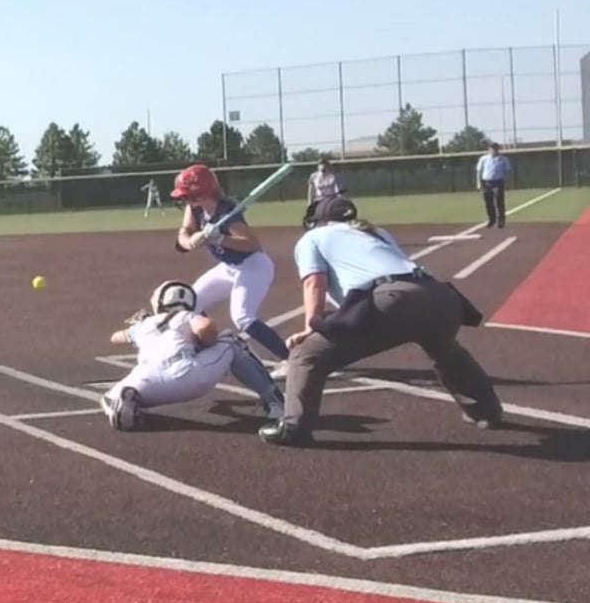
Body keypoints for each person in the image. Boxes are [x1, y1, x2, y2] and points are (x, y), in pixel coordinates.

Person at [258, 195, 501, 446]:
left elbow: (313, 282)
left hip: (394, 299)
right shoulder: (375, 231)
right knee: (444, 349)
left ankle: (294, 428)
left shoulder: (313, 238)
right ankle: (486, 411)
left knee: (306, 354)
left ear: (318, 221)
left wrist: (311, 325)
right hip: (441, 296)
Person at [102, 279, 284, 431]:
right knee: (233, 343)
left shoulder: (145, 324)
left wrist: (139, 327)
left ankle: (120, 405)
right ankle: (275, 403)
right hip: (187, 376)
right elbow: (206, 327)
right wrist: (206, 345)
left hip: (146, 382)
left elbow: (115, 338)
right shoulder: (185, 316)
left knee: (112, 395)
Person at [170, 163, 291, 368]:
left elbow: (251, 244)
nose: (185, 200)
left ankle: (290, 359)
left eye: (188, 195)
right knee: (191, 303)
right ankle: (209, 348)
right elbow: (184, 232)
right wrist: (190, 241)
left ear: (201, 192)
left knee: (242, 316)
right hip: (228, 267)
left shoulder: (227, 212)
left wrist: (219, 239)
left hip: (253, 266)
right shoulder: (195, 208)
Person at [300, 160, 343, 230]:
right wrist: (309, 202)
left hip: (330, 200)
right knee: (316, 218)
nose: (323, 169)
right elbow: (311, 191)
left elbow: (337, 190)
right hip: (318, 200)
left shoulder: (333, 176)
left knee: (331, 218)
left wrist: (339, 200)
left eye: (325, 166)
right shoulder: (314, 176)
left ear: (328, 167)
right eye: (320, 166)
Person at [476, 143, 510, 228]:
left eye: (495, 149)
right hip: (486, 183)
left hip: (498, 182)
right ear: (489, 150)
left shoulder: (503, 159)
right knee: (488, 202)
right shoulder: (483, 159)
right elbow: (479, 171)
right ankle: (491, 220)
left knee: (499, 202)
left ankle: (501, 221)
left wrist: (506, 181)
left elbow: (507, 171)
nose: (494, 151)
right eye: (492, 149)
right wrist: (479, 183)